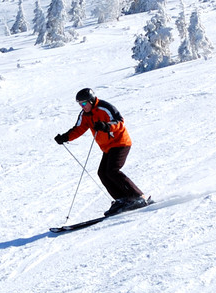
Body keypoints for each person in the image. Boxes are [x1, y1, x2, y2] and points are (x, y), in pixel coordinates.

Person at [54, 88, 150, 216]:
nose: (82, 106)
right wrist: (65, 137)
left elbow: (119, 122)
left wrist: (106, 126)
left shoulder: (104, 108)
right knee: (102, 173)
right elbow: (78, 128)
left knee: (112, 171)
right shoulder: (84, 114)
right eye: (79, 104)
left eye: (83, 103)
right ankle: (121, 199)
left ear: (91, 101)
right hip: (107, 148)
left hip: (120, 143)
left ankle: (138, 197)